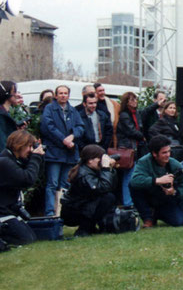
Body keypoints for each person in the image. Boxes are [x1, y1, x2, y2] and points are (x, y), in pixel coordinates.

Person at [41, 85, 85, 216]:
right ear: (56, 95)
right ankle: (50, 212)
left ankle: (60, 212)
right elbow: (48, 127)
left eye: (65, 93)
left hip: (69, 153)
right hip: (54, 152)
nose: (63, 96)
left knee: (65, 184)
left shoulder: (73, 111)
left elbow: (80, 127)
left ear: (68, 95)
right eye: (60, 93)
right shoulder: (49, 109)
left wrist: (72, 136)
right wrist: (63, 140)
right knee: (52, 183)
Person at [129, 135, 183, 228]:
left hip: (166, 199)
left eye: (169, 151)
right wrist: (157, 180)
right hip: (149, 195)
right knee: (133, 187)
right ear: (154, 153)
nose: (168, 155)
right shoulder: (144, 162)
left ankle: (157, 214)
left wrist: (174, 192)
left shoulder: (175, 165)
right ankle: (147, 218)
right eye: (164, 153)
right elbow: (135, 181)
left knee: (179, 222)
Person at [60, 145, 119, 236]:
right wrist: (106, 169)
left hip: (82, 206)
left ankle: (90, 227)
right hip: (73, 212)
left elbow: (111, 186)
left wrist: (110, 169)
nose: (102, 161)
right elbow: (103, 188)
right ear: (90, 160)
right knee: (107, 198)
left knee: (108, 197)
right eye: (100, 158)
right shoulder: (84, 174)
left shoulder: (92, 170)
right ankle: (84, 228)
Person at [0, 130, 44, 247]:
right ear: (19, 145)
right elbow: (27, 179)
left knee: (31, 237)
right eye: (29, 146)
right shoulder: (4, 162)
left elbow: (35, 174)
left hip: (9, 210)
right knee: (26, 239)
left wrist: (37, 157)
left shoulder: (14, 161)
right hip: (3, 213)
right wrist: (35, 157)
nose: (30, 150)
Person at [116, 92, 146, 207]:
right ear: (126, 102)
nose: (135, 102)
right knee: (128, 176)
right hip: (128, 148)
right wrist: (142, 136)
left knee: (132, 175)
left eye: (135, 99)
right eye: (132, 100)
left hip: (135, 147)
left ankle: (131, 201)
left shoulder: (136, 114)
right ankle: (128, 202)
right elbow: (130, 131)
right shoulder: (124, 115)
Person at [0, 81, 20, 149]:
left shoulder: (7, 112)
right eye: (14, 91)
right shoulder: (1, 115)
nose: (17, 95)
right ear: (7, 94)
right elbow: (2, 142)